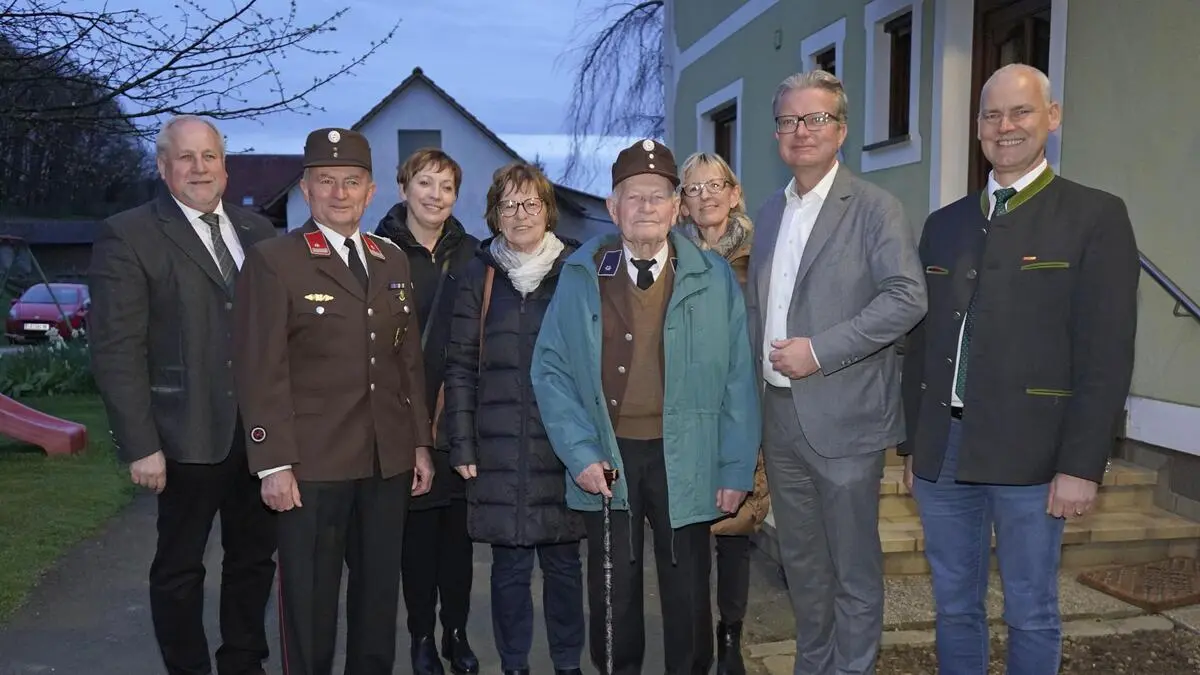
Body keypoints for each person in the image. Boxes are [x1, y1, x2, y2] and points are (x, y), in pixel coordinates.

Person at [899, 63, 1139, 673]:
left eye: (1021, 111)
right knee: (955, 608)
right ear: (978, 126)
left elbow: (1107, 353)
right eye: (991, 114)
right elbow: (921, 343)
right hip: (944, 453)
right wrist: (912, 446)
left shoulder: (1094, 216)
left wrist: (1082, 465)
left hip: (1035, 457)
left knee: (1031, 610)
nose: (1004, 126)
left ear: (1051, 119)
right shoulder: (945, 224)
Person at [531, 139, 761, 675]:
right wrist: (580, 452)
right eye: (633, 197)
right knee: (614, 596)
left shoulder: (713, 277)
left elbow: (737, 380)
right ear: (613, 208)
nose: (646, 208)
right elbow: (551, 369)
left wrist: (733, 466)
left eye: (658, 196)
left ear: (677, 205)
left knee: (686, 593)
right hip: (608, 457)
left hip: (689, 455)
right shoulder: (582, 274)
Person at [231, 127, 436, 675]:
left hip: (384, 460)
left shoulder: (389, 260)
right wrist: (272, 462)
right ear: (306, 189)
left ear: (371, 192)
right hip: (311, 464)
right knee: (310, 604)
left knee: (376, 604)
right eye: (327, 182)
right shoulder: (275, 261)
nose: (340, 193)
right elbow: (259, 369)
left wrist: (418, 441)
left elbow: (405, 362)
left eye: (352, 182)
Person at [746, 70, 926, 675]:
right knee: (803, 565)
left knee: (852, 568)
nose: (801, 132)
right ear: (777, 135)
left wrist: (819, 351)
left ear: (841, 129)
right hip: (781, 418)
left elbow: (906, 298)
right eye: (789, 121)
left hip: (846, 416)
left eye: (815, 119)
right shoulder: (769, 213)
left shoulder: (875, 208)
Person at [88, 114, 278, 675]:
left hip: (258, 435)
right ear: (163, 166)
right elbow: (116, 348)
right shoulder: (129, 234)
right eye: (186, 157)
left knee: (253, 560)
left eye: (210, 156)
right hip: (181, 434)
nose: (200, 168)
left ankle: (243, 662)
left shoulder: (257, 232)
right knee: (179, 568)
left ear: (225, 164)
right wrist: (140, 443)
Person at [445, 161, 586, 675]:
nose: (520, 213)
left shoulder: (578, 269)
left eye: (530, 203)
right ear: (494, 215)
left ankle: (568, 665)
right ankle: (515, 666)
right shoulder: (478, 276)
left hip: (562, 446)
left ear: (547, 210)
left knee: (565, 566)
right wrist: (460, 444)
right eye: (508, 204)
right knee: (508, 570)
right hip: (497, 445)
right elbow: (459, 366)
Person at [373, 148, 480, 675]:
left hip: (460, 413)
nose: (436, 195)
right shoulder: (377, 251)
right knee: (415, 538)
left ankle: (456, 632)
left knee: (458, 538)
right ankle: (420, 636)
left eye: (447, 187)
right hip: (403, 412)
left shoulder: (475, 254)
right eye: (426, 183)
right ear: (403, 188)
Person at [677, 150, 770, 675]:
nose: (706, 196)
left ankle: (730, 637)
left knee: (736, 528)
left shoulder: (761, 255)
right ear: (683, 205)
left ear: (734, 194)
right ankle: (693, 639)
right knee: (689, 531)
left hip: (741, 405)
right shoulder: (668, 255)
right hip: (685, 413)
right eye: (693, 189)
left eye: (716, 186)